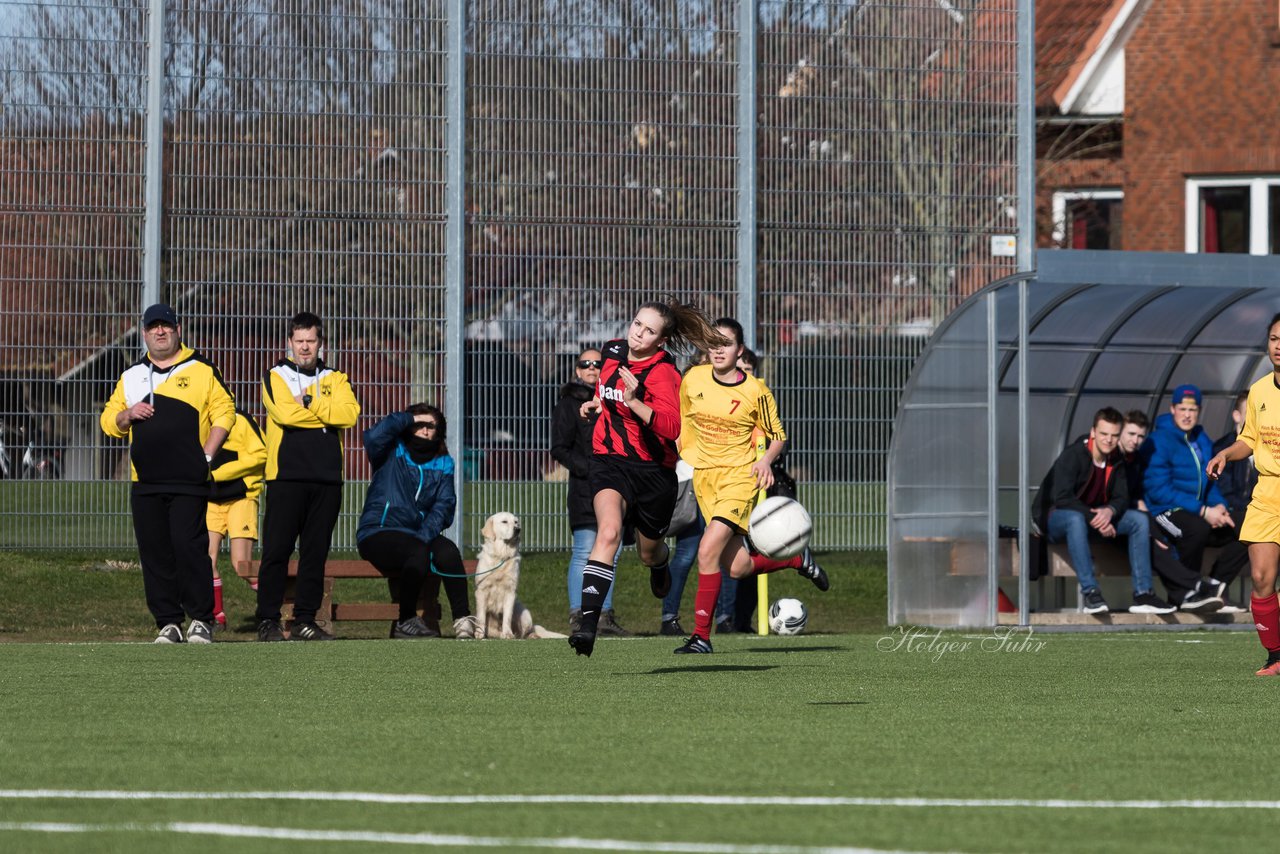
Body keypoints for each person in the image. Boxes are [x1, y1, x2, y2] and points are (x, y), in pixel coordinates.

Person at [568, 296, 729, 657]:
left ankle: (659, 566)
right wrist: (598, 401)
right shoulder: (612, 350)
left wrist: (635, 400)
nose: (637, 333)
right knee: (607, 531)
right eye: (637, 324)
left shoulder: (663, 374)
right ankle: (587, 626)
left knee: (649, 553)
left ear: (661, 340)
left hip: (653, 472)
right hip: (609, 462)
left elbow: (673, 427)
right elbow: (605, 388)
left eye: (649, 330)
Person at [673, 317, 829, 654]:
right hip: (705, 480)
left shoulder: (754, 390)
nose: (718, 349)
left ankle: (701, 637)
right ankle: (796, 560)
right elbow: (681, 420)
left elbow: (777, 437)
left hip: (739, 480)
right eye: (712, 342)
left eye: (725, 343)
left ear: (739, 349)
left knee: (706, 550)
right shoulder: (693, 379)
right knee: (737, 566)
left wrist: (764, 461)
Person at [100, 303, 235, 643]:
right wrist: (127, 415)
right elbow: (108, 420)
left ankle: (202, 619)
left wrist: (206, 455)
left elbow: (225, 412)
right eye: (153, 327)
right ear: (144, 333)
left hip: (188, 479)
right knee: (155, 552)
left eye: (166, 326)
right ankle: (168, 622)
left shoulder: (202, 369)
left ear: (177, 329)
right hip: (145, 482)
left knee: (188, 547)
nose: (160, 332)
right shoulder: (130, 376)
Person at [255, 312, 361, 642]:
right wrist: (325, 418)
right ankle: (268, 620)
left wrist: (311, 403)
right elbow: (285, 414)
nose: (304, 347)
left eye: (310, 341)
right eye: (299, 341)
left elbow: (350, 414)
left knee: (315, 553)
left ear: (321, 343)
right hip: (286, 476)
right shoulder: (275, 375)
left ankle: (305, 619)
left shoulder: (337, 378)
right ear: (289, 342)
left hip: (327, 479)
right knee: (277, 551)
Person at [1032, 406, 1173, 615]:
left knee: (1139, 520)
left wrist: (1109, 511)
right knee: (1074, 520)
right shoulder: (1075, 455)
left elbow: (1122, 497)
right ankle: (1091, 593)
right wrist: (1095, 517)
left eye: (1114, 435)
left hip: (1093, 518)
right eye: (1104, 434)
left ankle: (1144, 593)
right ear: (1093, 432)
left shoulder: (1116, 459)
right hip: (1055, 517)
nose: (1109, 440)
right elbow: (1061, 498)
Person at [356, 404, 475, 639]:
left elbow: (444, 506)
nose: (424, 429)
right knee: (417, 551)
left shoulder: (444, 463)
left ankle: (463, 621)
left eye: (430, 425)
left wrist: (424, 534)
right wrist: (406, 417)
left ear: (438, 431)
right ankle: (406, 620)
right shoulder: (391, 450)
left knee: (448, 551)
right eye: (418, 424)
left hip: (417, 534)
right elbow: (372, 436)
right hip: (378, 531)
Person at [1208, 313, 1280, 675]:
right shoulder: (1259, 390)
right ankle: (1275, 657)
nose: (1279, 345)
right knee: (1262, 577)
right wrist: (1224, 453)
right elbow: (1249, 439)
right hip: (1267, 492)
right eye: (1273, 338)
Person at [1142, 384, 1247, 605]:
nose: (1188, 415)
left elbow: (1209, 481)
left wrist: (1219, 506)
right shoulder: (1159, 440)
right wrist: (1203, 511)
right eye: (1183, 409)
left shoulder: (1201, 438)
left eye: (1193, 410)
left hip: (1199, 510)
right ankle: (1185, 593)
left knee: (1250, 525)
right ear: (1172, 409)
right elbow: (1158, 490)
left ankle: (1214, 584)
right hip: (1164, 511)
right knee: (1195, 528)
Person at [549, 348, 627, 637]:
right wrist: (590, 468)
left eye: (599, 363)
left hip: (616, 486)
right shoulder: (569, 404)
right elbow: (559, 447)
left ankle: (604, 614)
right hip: (585, 488)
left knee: (613, 549)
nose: (593, 368)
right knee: (584, 550)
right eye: (586, 364)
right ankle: (578, 613)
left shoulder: (614, 399)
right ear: (577, 370)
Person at [1119, 410, 1221, 612]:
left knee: (1160, 539)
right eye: (1131, 434)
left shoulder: (1135, 459)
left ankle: (1186, 593)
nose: (1135, 441)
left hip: (1132, 516)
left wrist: (1219, 504)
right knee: (1154, 536)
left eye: (1140, 436)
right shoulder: (1115, 457)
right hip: (1115, 518)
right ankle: (1192, 586)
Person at [206, 408, 268, 628]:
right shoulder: (199, 419)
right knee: (206, 559)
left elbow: (261, 454)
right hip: (211, 499)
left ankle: (280, 602)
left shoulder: (240, 420)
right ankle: (216, 615)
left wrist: (219, 473)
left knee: (242, 565)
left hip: (242, 497)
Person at [1213, 392, 1257, 515]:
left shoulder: (1267, 445)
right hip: (1235, 511)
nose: (1255, 418)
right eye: (1250, 413)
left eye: (1258, 413)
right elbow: (1225, 491)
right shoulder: (1223, 448)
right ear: (1237, 416)